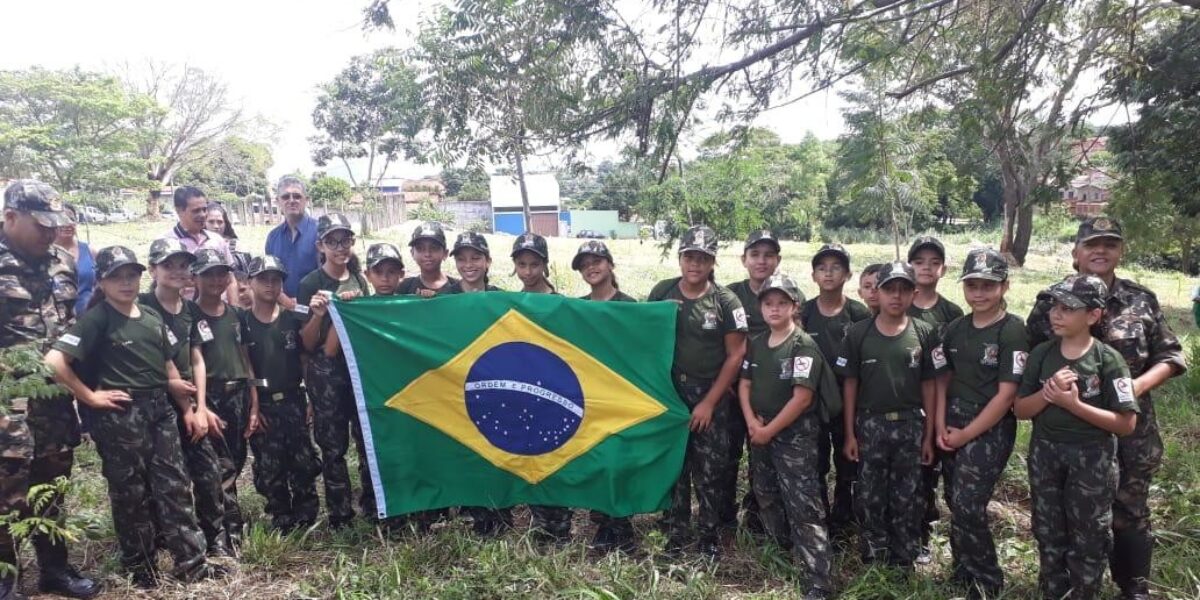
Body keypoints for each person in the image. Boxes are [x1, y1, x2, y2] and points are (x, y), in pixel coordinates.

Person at [1025, 217, 1186, 600]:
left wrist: (1136, 385)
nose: (1101, 251)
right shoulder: (1051, 302)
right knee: (1067, 514)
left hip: (1130, 425)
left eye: (1110, 244)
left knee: (1129, 507)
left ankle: (1133, 587)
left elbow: (1171, 355)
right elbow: (1032, 358)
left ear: (1120, 251)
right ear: (1076, 252)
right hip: (1066, 432)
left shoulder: (1140, 298)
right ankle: (1069, 586)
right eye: (1092, 244)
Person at [44, 246, 224, 587]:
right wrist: (90, 397)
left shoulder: (151, 318)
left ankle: (193, 564)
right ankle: (140, 569)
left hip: (159, 411)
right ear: (101, 281)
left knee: (174, 487)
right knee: (131, 494)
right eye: (116, 277)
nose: (126, 283)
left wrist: (187, 407)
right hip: (121, 416)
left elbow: (169, 363)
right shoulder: (97, 319)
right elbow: (55, 363)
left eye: (131, 275)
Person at [0, 180, 100, 599]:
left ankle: (54, 571)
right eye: (41, 225)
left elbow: (68, 326)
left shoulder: (60, 261)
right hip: (9, 405)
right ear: (10, 218)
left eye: (54, 225)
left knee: (52, 487)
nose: (49, 233)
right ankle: (6, 582)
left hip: (55, 400)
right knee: (6, 495)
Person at [1015, 274, 1139, 600]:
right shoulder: (1042, 354)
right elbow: (1020, 409)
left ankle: (1084, 592)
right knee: (1048, 529)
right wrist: (1048, 394)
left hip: (1092, 456)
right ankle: (1053, 592)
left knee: (1089, 535)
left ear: (1093, 316)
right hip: (1046, 453)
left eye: (1068, 307)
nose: (1056, 313)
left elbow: (1125, 424)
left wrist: (1074, 404)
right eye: (1055, 305)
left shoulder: (1107, 359)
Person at [647, 225, 748, 558]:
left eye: (702, 258)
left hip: (712, 396)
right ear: (680, 258)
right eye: (689, 256)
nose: (695, 264)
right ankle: (675, 532)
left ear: (712, 261)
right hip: (672, 392)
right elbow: (643, 339)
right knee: (675, 466)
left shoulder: (725, 300)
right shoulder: (662, 293)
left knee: (711, 469)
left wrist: (708, 403)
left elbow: (736, 355)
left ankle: (708, 535)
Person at [935, 248, 1028, 598]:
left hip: (988, 425)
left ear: (1004, 287)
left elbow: (1006, 396)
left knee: (969, 503)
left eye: (988, 286)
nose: (979, 293)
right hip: (951, 421)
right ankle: (962, 571)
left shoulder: (1012, 331)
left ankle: (987, 580)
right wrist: (941, 425)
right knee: (954, 500)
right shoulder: (956, 328)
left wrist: (965, 435)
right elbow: (942, 379)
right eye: (972, 285)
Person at [738, 274, 833, 600]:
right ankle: (782, 554)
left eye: (782, 303)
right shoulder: (758, 342)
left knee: (803, 507)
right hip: (761, 431)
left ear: (795, 306)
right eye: (768, 303)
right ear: (761, 307)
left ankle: (817, 580)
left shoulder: (802, 344)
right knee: (766, 493)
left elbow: (802, 398)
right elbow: (745, 384)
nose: (775, 309)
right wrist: (752, 422)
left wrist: (767, 430)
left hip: (793, 437)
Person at [838, 261, 937, 569]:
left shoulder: (924, 333)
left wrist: (928, 435)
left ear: (914, 293)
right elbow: (850, 385)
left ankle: (904, 555)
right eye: (889, 289)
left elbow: (930, 387)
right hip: (871, 424)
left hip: (910, 424)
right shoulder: (857, 334)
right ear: (876, 293)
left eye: (903, 290)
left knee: (907, 494)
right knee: (870, 493)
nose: (896, 297)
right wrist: (850, 433)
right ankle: (873, 554)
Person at [139, 239, 229, 559]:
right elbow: (147, 358)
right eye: (168, 265)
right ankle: (168, 539)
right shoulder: (141, 306)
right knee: (166, 477)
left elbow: (197, 359)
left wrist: (201, 408)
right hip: (157, 405)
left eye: (182, 265)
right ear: (153, 269)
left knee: (208, 471)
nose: (177, 272)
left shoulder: (190, 310)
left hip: (190, 402)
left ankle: (215, 536)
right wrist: (183, 402)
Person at [297, 213, 372, 527]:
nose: (340, 247)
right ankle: (340, 514)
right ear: (320, 245)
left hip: (358, 369)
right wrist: (318, 314)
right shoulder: (310, 283)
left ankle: (372, 505)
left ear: (352, 243)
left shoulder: (360, 281)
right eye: (332, 241)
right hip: (325, 374)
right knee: (332, 446)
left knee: (366, 442)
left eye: (345, 241)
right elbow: (306, 342)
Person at [241, 255, 321, 533]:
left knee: (303, 459)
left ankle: (307, 514)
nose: (270, 285)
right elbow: (245, 365)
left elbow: (304, 359)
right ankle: (280, 516)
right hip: (263, 402)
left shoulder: (291, 319)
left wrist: (310, 397)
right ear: (250, 282)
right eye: (263, 279)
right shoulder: (243, 322)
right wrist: (253, 408)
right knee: (269, 465)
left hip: (293, 400)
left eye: (276, 279)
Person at [800, 243, 871, 540]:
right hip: (811, 403)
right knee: (813, 463)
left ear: (848, 274)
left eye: (836, 267)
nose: (828, 273)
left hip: (848, 402)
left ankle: (844, 521)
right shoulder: (803, 312)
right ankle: (818, 521)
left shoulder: (858, 313)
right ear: (814, 275)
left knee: (848, 464)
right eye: (822, 268)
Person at [192, 249, 260, 549]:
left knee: (235, 460)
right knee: (215, 469)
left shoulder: (235, 315)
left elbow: (246, 359)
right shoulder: (189, 315)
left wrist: (254, 400)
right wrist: (202, 406)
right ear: (195, 277)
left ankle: (232, 527)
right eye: (208, 274)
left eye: (222, 273)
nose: (216, 280)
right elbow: (192, 363)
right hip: (211, 398)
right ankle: (221, 534)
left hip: (239, 394)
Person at [572, 240, 637, 552]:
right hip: (587, 398)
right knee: (594, 459)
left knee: (619, 462)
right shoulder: (577, 308)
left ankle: (622, 525)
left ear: (610, 264)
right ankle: (602, 523)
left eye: (596, 261)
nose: (591, 268)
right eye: (584, 264)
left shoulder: (631, 306)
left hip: (622, 397)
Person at [724, 229, 790, 533]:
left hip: (767, 396)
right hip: (729, 391)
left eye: (768, 255)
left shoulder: (789, 294)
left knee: (763, 458)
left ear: (777, 260)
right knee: (726, 455)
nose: (761, 261)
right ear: (744, 259)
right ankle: (722, 519)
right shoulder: (730, 295)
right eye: (755, 254)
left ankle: (759, 519)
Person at [511, 233, 573, 542]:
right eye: (522, 265)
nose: (528, 271)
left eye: (534, 264)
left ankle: (561, 524)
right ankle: (539, 523)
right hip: (524, 396)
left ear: (545, 266)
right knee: (531, 458)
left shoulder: (562, 304)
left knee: (557, 458)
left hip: (556, 395)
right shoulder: (507, 304)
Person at [906, 236, 963, 563]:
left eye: (933, 262)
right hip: (904, 401)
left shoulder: (950, 312)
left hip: (940, 401)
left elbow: (951, 365)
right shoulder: (898, 301)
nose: (926, 268)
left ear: (943, 269)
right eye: (919, 262)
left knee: (929, 471)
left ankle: (923, 535)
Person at [448, 232, 507, 535]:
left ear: (487, 261)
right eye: (462, 259)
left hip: (493, 387)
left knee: (493, 447)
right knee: (463, 448)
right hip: (454, 387)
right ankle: (469, 509)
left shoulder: (501, 298)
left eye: (475, 258)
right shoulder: (444, 298)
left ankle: (499, 509)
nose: (468, 265)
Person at [163, 186, 238, 301]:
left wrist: (234, 311)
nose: (203, 215)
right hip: (185, 312)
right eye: (196, 210)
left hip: (219, 311)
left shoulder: (217, 240)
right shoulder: (167, 243)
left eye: (204, 209)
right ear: (179, 210)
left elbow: (231, 280)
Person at [264, 176, 320, 311]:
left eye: (297, 196)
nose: (291, 201)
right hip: (283, 310)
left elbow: (329, 275)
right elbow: (270, 276)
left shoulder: (321, 232)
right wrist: (286, 302)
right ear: (278, 201)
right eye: (285, 197)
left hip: (317, 310)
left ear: (306, 200)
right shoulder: (273, 237)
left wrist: (303, 303)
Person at [55, 204, 96, 315]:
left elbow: (102, 285)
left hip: (88, 318)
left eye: (71, 219)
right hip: (57, 323)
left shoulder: (90, 250)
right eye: (61, 218)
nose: (67, 223)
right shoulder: (43, 252)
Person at [397, 221, 458, 297]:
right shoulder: (403, 288)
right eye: (420, 248)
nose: (427, 254)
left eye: (434, 248)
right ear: (412, 253)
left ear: (445, 253)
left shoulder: (458, 289)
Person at [204, 203, 250, 275]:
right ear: (204, 223)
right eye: (211, 222)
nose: (216, 226)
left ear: (225, 223)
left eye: (220, 222)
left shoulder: (237, 246)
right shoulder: (198, 244)